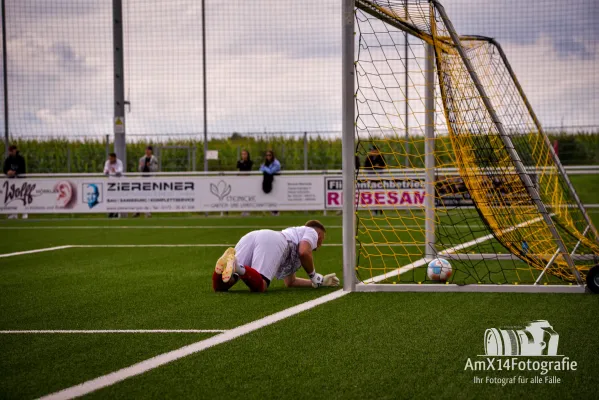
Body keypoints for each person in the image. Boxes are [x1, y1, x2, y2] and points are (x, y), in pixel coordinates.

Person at [212, 220, 339, 293]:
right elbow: (304, 252)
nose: (320, 242)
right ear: (318, 233)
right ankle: (237, 266)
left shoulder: (294, 235)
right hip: (272, 240)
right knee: (261, 285)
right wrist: (313, 275)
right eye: (322, 238)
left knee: (223, 285)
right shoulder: (311, 232)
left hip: (253, 236)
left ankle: (225, 263)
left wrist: (319, 282)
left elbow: (291, 282)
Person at [3, 145, 27, 219]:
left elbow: (23, 170)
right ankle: (14, 213)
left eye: (11, 150)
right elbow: (5, 169)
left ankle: (24, 213)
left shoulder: (21, 159)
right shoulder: (8, 159)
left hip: (20, 181)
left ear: (15, 150)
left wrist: (15, 172)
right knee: (13, 197)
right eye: (9, 151)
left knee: (22, 196)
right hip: (11, 181)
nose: (10, 152)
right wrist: (8, 172)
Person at [134, 146, 158, 218]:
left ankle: (147, 212)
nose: (147, 151)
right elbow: (139, 169)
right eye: (146, 150)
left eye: (148, 150)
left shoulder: (154, 159)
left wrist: (149, 166)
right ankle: (137, 211)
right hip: (142, 179)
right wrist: (141, 166)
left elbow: (155, 169)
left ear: (151, 151)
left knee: (148, 196)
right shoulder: (142, 159)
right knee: (139, 195)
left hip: (150, 179)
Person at [364, 145, 386, 215]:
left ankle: (380, 209)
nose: (371, 151)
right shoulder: (369, 157)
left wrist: (378, 166)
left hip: (379, 178)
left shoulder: (381, 156)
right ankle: (374, 209)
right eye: (371, 150)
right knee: (372, 194)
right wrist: (372, 167)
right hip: (372, 178)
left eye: (372, 150)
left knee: (379, 194)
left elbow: (384, 165)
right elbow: (365, 166)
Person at [259, 150, 281, 216]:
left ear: (272, 156)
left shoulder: (276, 163)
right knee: (268, 195)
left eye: (269, 155)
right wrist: (265, 168)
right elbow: (260, 169)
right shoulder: (266, 163)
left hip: (275, 182)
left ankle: (275, 211)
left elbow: (271, 171)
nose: (268, 157)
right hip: (267, 182)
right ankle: (271, 210)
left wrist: (265, 168)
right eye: (267, 155)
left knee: (275, 196)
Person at [103, 153, 124, 218]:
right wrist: (106, 171)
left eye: (111, 158)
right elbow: (105, 170)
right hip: (111, 183)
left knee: (118, 198)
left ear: (115, 158)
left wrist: (115, 171)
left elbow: (120, 170)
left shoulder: (119, 162)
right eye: (109, 158)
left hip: (119, 182)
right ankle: (111, 212)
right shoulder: (107, 162)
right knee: (111, 198)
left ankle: (117, 212)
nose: (110, 159)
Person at [237, 149, 253, 216]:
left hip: (248, 181)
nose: (243, 155)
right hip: (241, 181)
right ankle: (243, 210)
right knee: (242, 196)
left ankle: (247, 210)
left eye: (245, 154)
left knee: (247, 196)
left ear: (247, 155)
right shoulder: (239, 162)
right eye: (242, 154)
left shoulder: (250, 162)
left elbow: (248, 170)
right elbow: (238, 170)